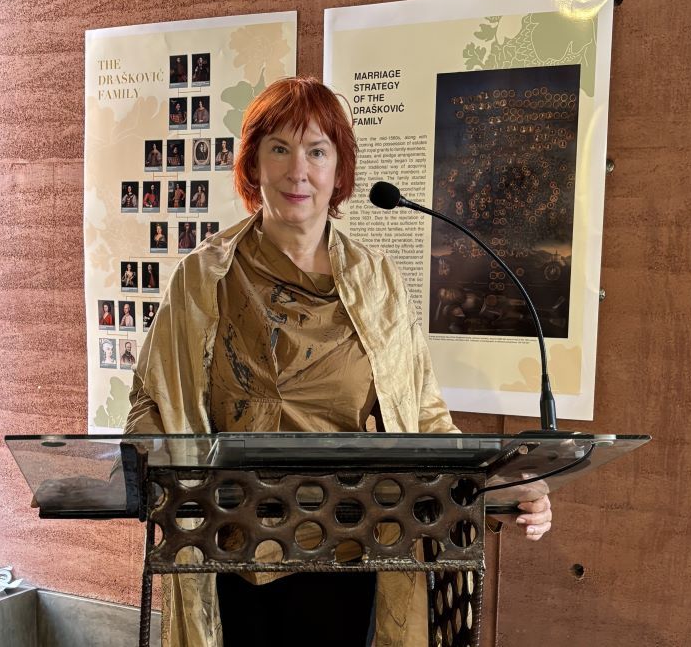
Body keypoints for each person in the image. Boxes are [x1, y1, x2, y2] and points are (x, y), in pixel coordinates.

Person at [125, 77, 553, 647]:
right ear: (253, 164)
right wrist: (141, 469)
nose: (297, 171)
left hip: (344, 542)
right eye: (279, 148)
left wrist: (498, 488)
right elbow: (153, 400)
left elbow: (423, 420)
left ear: (338, 169)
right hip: (230, 546)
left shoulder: (377, 283)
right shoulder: (204, 278)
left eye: (317, 151)